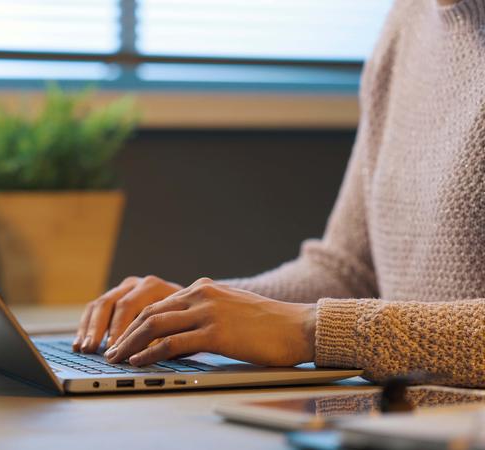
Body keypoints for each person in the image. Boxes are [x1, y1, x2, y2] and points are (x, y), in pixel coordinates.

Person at [74, 0, 485, 388]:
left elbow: (318, 318)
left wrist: (313, 328)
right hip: (409, 416)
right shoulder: (409, 19)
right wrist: (193, 313)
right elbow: (349, 271)